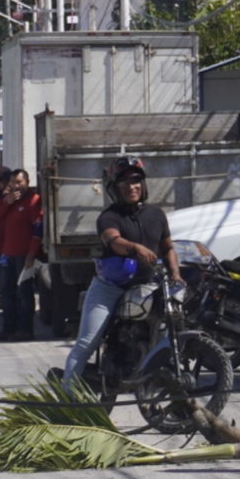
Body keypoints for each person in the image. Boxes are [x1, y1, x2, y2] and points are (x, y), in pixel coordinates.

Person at [62, 157, 180, 384]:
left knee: (168, 330)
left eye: (136, 181)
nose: (131, 187)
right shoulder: (109, 217)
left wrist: (176, 274)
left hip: (148, 286)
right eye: (124, 183)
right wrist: (135, 247)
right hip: (110, 287)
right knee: (87, 343)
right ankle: (67, 398)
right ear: (115, 189)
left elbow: (168, 249)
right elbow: (113, 240)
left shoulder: (156, 214)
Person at [0, 169, 43, 342]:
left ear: (27, 182)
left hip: (23, 256)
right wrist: (7, 202)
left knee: (24, 294)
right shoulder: (8, 200)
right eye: (13, 182)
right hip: (7, 255)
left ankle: (26, 329)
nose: (16, 185)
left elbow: (37, 229)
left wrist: (31, 254)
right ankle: (8, 328)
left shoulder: (33, 200)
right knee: (6, 293)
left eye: (19, 182)